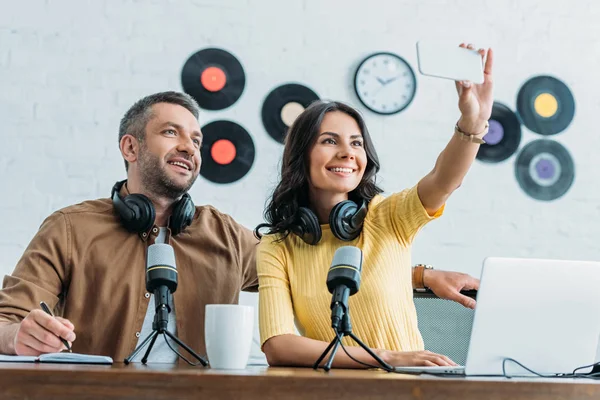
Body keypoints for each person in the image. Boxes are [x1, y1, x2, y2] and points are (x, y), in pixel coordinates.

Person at [255, 44, 492, 368]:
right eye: (329, 141)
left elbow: (443, 179)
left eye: (356, 143)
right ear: (301, 156)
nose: (347, 152)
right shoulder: (277, 247)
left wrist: (472, 121)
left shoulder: (386, 216)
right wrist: (387, 358)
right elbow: (279, 346)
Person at [0, 91, 258, 362]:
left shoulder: (227, 235)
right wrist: (19, 335)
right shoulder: (68, 229)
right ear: (130, 148)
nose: (189, 147)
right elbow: (5, 322)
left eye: (196, 140)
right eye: (171, 132)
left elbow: (297, 263)